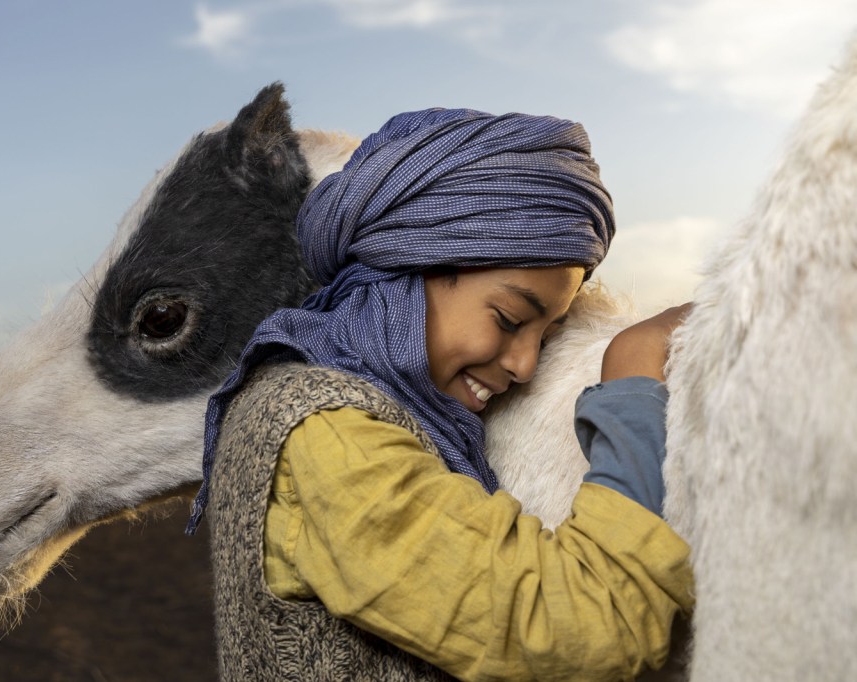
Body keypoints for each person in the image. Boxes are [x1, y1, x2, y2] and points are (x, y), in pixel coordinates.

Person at [188, 108, 694, 681]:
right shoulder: (328, 438)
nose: (526, 365)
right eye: (507, 318)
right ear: (411, 263)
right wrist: (633, 374)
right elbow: (584, 629)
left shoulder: (342, 400)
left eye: (546, 335)